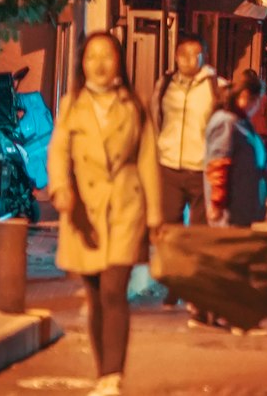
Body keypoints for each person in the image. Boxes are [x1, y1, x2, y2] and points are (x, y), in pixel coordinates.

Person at [48, 33, 162, 396]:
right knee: (96, 295)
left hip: (125, 206)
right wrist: (61, 189)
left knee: (115, 290)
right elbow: (58, 153)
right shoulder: (71, 105)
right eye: (91, 56)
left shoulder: (134, 104)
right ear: (82, 63)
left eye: (107, 56)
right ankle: (103, 373)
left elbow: (148, 160)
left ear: (119, 62)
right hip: (84, 210)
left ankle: (113, 375)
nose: (99, 64)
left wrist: (156, 215)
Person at [151, 34, 219, 234]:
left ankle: (195, 264)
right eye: (183, 54)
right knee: (169, 228)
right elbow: (156, 117)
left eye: (195, 54)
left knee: (199, 230)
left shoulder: (216, 86)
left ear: (204, 56)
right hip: (169, 167)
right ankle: (174, 264)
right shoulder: (164, 84)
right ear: (175, 56)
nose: (188, 59)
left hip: (201, 169)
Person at [204, 70, 267, 229]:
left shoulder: (240, 122)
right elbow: (219, 164)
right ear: (246, 96)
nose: (258, 106)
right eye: (257, 100)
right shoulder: (226, 123)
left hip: (241, 213)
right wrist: (217, 204)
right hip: (229, 215)